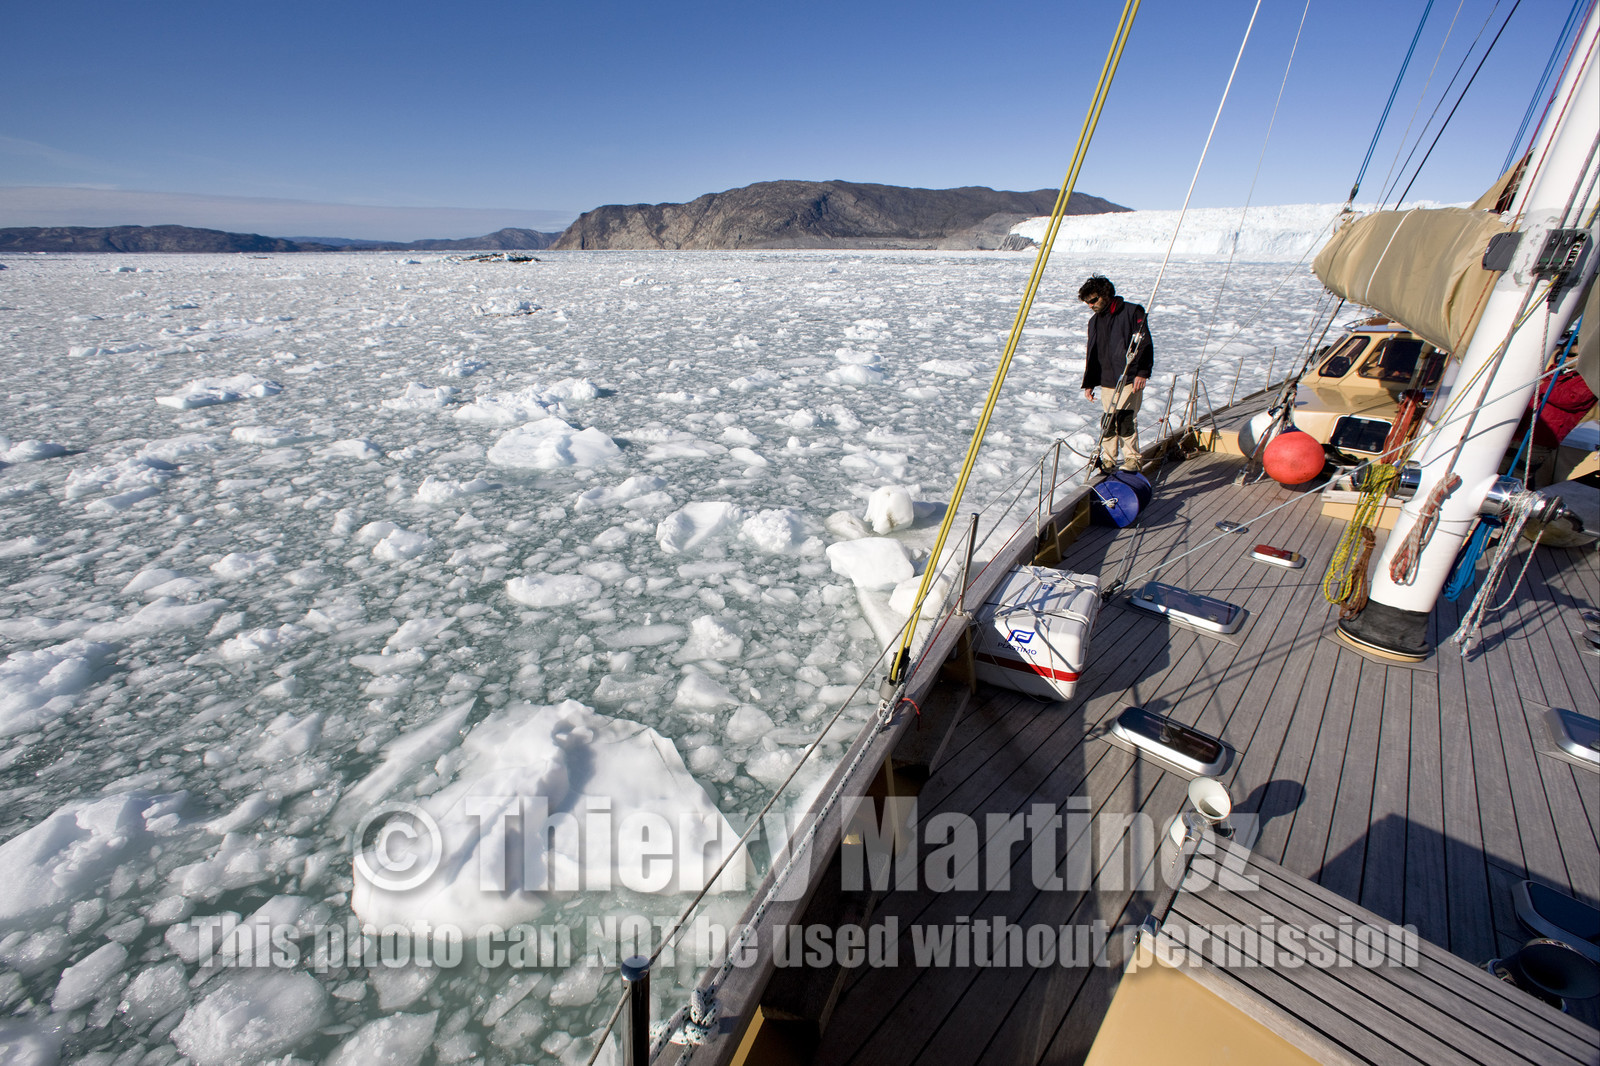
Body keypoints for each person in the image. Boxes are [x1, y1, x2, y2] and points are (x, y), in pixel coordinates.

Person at [1080, 275, 1153, 473]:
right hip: (1107, 380)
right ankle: (1109, 459)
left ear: (1106, 295)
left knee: (1126, 419)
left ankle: (1132, 459)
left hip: (1130, 377)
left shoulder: (1131, 312)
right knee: (1109, 421)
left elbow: (1144, 343)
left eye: (1093, 300)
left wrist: (1142, 372)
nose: (1090, 305)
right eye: (1087, 302)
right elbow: (1093, 354)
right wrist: (1090, 383)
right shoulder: (1094, 321)